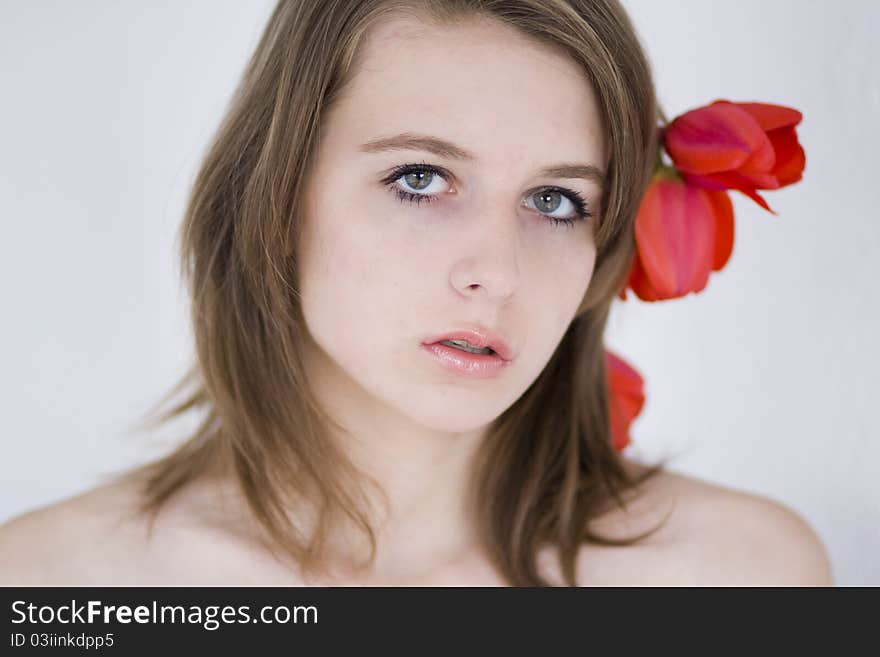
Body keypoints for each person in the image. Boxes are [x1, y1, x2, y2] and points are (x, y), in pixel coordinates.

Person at [0, 0, 832, 586]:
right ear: (276, 197)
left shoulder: (741, 576)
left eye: (556, 200)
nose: (496, 272)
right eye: (421, 177)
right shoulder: (55, 588)